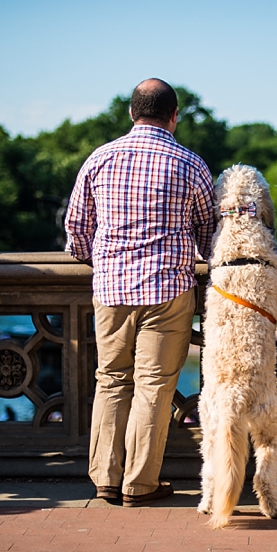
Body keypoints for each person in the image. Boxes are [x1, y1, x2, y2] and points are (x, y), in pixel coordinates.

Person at [64, 78, 216, 507]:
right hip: (169, 289)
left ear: (132, 113)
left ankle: (104, 480)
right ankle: (138, 483)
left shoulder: (100, 158)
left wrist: (107, 263)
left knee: (111, 381)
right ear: (174, 116)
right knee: (154, 386)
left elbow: (76, 229)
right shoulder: (191, 163)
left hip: (111, 290)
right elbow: (209, 238)